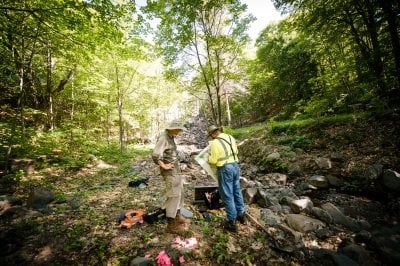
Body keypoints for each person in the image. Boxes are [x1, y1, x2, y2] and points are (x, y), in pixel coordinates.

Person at [152, 120, 189, 234]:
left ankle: (177, 216)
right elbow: (155, 155)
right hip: (170, 172)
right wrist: (164, 165)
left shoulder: (171, 137)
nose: (179, 131)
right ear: (173, 128)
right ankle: (171, 224)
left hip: (176, 171)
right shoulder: (164, 138)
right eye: (178, 129)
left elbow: (171, 152)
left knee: (180, 194)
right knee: (173, 195)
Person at [207, 125, 246, 232]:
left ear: (213, 133)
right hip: (235, 166)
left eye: (210, 136)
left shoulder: (214, 143)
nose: (211, 138)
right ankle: (241, 215)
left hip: (225, 169)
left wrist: (208, 158)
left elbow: (213, 160)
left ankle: (231, 222)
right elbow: (236, 152)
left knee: (227, 194)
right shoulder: (230, 137)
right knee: (237, 191)